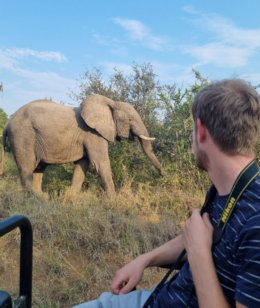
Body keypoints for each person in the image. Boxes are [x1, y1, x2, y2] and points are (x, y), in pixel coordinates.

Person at [73, 79, 260, 308]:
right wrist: (145, 260)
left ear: (200, 131)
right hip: (160, 298)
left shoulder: (256, 222)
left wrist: (199, 254)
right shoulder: (227, 190)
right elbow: (198, 237)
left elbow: (199, 244)